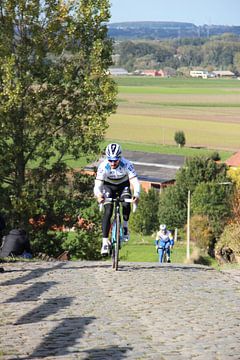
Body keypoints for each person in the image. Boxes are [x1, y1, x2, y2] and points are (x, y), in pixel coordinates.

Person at [94, 143, 140, 255]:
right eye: (110, 160)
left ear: (120, 158)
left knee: (125, 204)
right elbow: (98, 185)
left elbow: (135, 182)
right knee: (108, 210)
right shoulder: (103, 166)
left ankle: (124, 226)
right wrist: (99, 195)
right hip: (108, 186)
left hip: (123, 185)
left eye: (115, 160)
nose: (113, 163)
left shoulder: (127, 164)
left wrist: (136, 195)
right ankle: (105, 242)